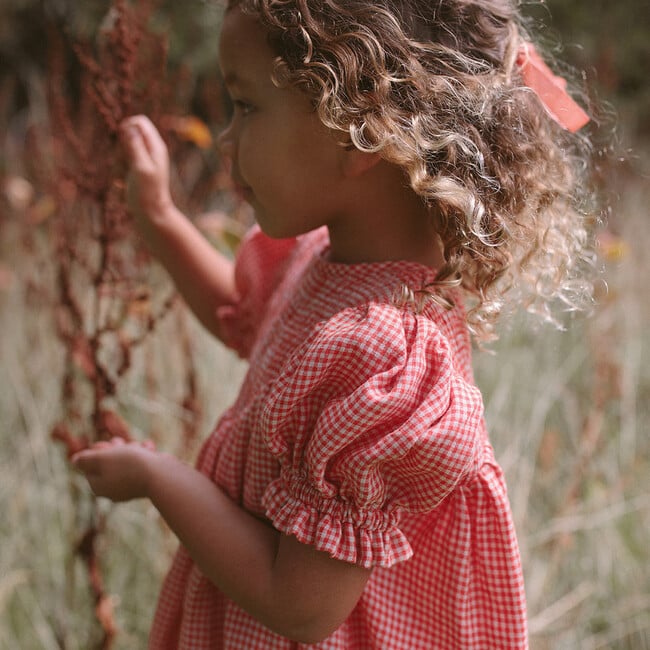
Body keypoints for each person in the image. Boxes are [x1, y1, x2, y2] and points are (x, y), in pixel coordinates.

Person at [72, 0, 596, 647]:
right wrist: (159, 217)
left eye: (246, 106)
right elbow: (248, 325)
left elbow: (301, 608)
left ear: (360, 124)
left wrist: (159, 477)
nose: (227, 139)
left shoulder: (385, 348)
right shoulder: (328, 264)